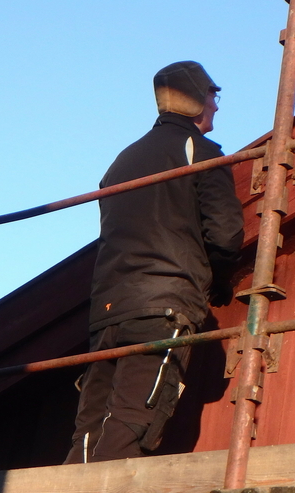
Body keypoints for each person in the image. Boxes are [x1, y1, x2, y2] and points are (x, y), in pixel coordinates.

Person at [64, 61, 244, 464]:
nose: (216, 106)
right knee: (137, 414)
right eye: (214, 96)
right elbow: (226, 235)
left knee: (90, 424)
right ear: (198, 100)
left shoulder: (122, 161)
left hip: (108, 309)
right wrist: (221, 280)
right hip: (163, 304)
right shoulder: (201, 152)